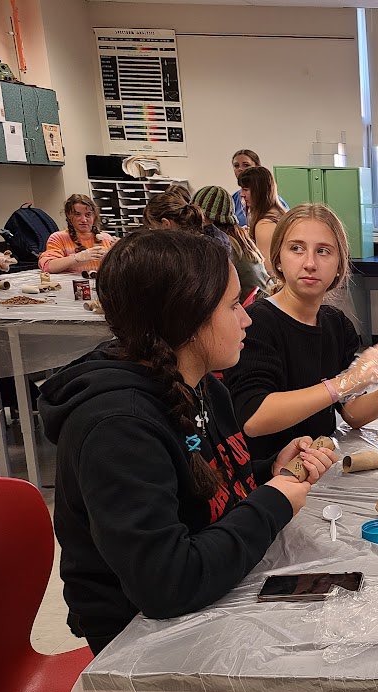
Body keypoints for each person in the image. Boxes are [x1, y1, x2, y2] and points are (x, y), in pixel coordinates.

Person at [39, 230, 338, 655]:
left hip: (208, 594)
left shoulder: (204, 388)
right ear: (187, 318)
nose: (247, 319)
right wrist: (273, 501)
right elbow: (168, 584)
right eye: (234, 306)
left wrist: (267, 472)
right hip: (140, 639)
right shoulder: (117, 428)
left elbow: (201, 482)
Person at [223, 204, 378, 462]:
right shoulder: (257, 323)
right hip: (270, 475)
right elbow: (253, 418)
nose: (309, 263)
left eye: (323, 251)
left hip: (319, 467)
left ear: (340, 265)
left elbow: (351, 413)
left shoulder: (337, 324)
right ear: (277, 259)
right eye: (296, 248)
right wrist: (344, 382)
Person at [193, 185, 272, 301]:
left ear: (204, 218)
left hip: (250, 309)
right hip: (263, 299)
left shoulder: (221, 244)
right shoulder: (239, 237)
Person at [38, 195, 117, 274]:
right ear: (69, 216)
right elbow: (48, 266)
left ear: (94, 216)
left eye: (88, 215)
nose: (84, 220)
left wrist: (121, 250)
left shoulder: (106, 238)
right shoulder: (58, 238)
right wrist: (77, 258)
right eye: (77, 214)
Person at [142, 188, 234, 254]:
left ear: (166, 224)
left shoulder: (191, 251)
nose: (153, 234)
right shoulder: (212, 237)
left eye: (153, 228)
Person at [239, 166, 288, 276]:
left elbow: (269, 271)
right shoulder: (279, 212)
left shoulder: (265, 224)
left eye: (246, 190)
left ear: (259, 191)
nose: (242, 194)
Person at [230, 149, 288, 227]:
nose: (240, 169)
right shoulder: (234, 199)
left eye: (246, 165)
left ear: (257, 167)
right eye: (236, 166)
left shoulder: (274, 202)